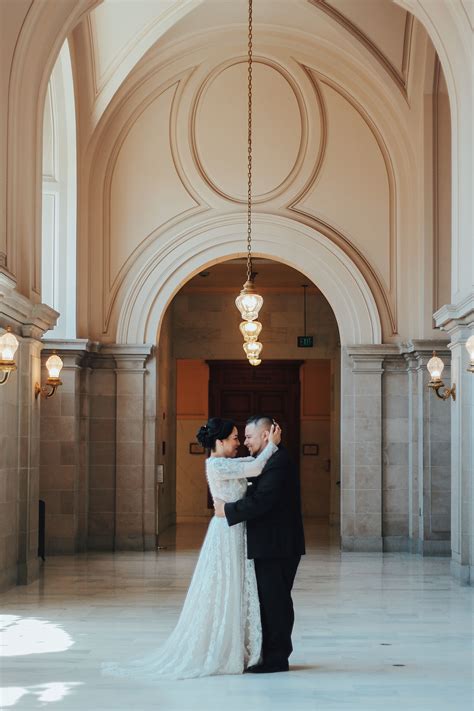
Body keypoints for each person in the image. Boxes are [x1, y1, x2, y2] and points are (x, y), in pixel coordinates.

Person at [103, 416, 281, 680]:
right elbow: (255, 468)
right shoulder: (217, 464)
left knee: (236, 585)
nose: (238, 443)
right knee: (225, 585)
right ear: (219, 441)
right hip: (226, 533)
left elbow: (252, 464)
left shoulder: (229, 463)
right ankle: (222, 647)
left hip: (236, 530)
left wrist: (268, 448)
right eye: (234, 438)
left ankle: (240, 645)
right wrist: (273, 444)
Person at [214, 414, 305, 674]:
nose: (245, 442)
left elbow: (263, 501)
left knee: (276, 602)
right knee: (269, 600)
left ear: (266, 435)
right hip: (270, 544)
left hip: (278, 545)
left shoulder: (279, 462)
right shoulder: (267, 460)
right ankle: (268, 654)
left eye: (249, 436)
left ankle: (277, 659)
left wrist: (227, 510)